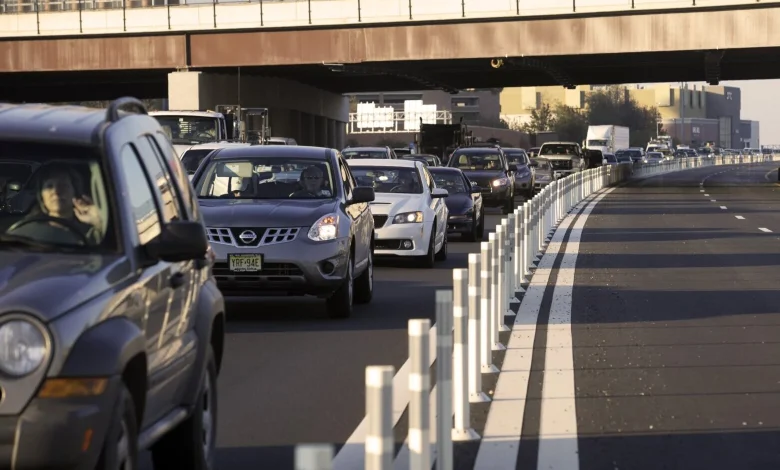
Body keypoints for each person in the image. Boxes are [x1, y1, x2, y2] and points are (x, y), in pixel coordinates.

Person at [6, 163, 103, 245]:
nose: (56, 191)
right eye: (49, 186)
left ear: (75, 192)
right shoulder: (26, 231)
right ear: (41, 197)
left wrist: (97, 220)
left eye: (63, 185)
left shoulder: (90, 232)